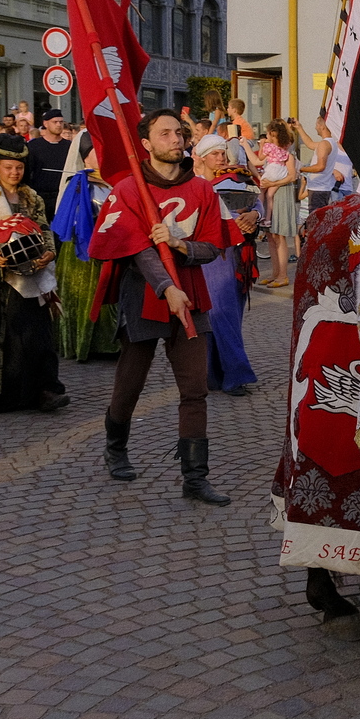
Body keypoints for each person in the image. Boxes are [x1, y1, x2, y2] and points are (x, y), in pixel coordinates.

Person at [91, 109, 230, 504]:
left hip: (192, 296)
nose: (175, 139)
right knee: (130, 385)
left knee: (195, 388)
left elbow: (212, 248)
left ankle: (195, 477)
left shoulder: (202, 189)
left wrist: (179, 244)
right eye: (164, 133)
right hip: (144, 297)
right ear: (146, 144)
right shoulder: (129, 189)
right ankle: (115, 448)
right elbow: (134, 249)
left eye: (179, 133)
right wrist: (166, 286)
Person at [0, 134, 69, 413]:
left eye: (18, 168)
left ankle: (44, 390)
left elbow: (44, 228)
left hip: (34, 276)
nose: (14, 173)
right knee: (2, 336)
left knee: (38, 333)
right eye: (8, 167)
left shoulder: (32, 197)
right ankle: (4, 393)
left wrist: (50, 252)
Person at [193, 133, 258, 395]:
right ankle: (233, 375)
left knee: (230, 315)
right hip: (213, 255)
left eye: (222, 153)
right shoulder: (196, 185)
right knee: (220, 314)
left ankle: (216, 374)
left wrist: (253, 214)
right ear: (203, 158)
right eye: (214, 154)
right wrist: (235, 221)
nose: (220, 158)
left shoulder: (240, 179)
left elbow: (258, 204)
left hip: (239, 255)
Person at [49, 132, 120, 361]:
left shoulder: (115, 180)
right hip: (83, 248)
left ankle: (111, 342)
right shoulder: (79, 182)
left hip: (111, 245)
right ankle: (85, 343)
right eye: (95, 153)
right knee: (84, 295)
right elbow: (72, 218)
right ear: (85, 157)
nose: (101, 157)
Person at [256, 121, 298, 288]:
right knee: (271, 236)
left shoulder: (288, 155)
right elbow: (258, 161)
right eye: (269, 136)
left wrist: (274, 184)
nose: (270, 139)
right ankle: (274, 273)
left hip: (282, 193)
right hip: (271, 194)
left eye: (273, 136)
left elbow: (292, 176)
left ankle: (283, 275)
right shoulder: (271, 154)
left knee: (279, 235)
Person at [24, 109, 70, 209]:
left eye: (61, 122)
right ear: (46, 123)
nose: (58, 125)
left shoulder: (70, 146)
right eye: (55, 122)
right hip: (40, 197)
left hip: (63, 197)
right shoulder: (33, 145)